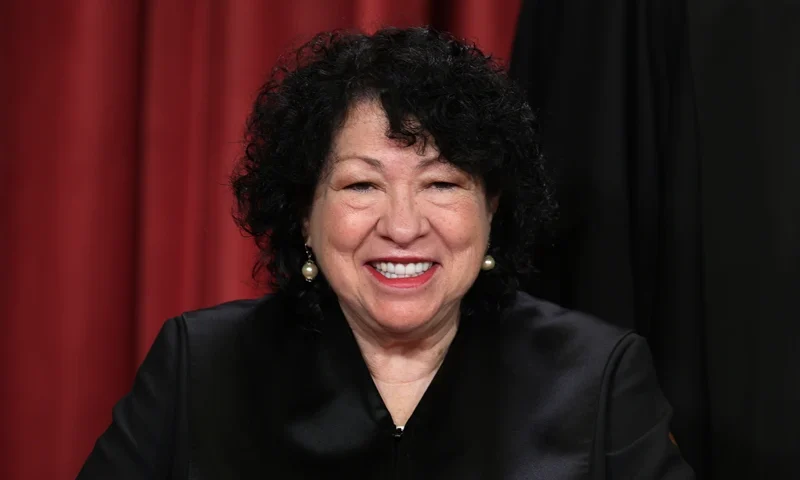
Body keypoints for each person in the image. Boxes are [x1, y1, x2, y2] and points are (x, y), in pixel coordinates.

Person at [77, 27, 694, 479]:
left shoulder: (598, 375)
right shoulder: (199, 365)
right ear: (304, 212)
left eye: (443, 183)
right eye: (361, 184)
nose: (402, 227)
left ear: (493, 208)